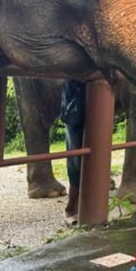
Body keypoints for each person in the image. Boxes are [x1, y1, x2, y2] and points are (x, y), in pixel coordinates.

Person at [60, 79, 86, 225]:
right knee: (76, 162)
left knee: (90, 162)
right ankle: (71, 208)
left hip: (92, 108)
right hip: (75, 114)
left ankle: (84, 206)